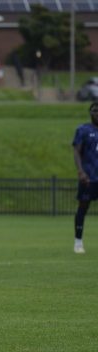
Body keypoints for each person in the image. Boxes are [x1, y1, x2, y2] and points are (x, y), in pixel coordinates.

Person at [72, 101, 98, 254]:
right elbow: (76, 151)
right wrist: (81, 171)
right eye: (95, 110)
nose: (97, 113)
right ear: (90, 113)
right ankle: (78, 242)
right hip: (89, 177)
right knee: (83, 207)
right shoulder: (83, 130)